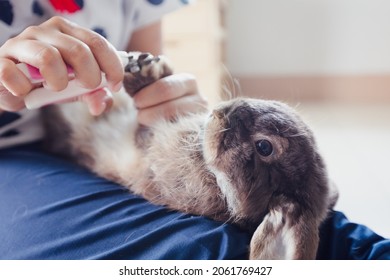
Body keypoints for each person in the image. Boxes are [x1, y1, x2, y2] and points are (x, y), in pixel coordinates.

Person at [0, 0, 389, 260]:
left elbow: (147, 67)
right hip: (13, 155)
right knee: (207, 252)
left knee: (338, 236)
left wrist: (166, 94)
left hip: (113, 129)